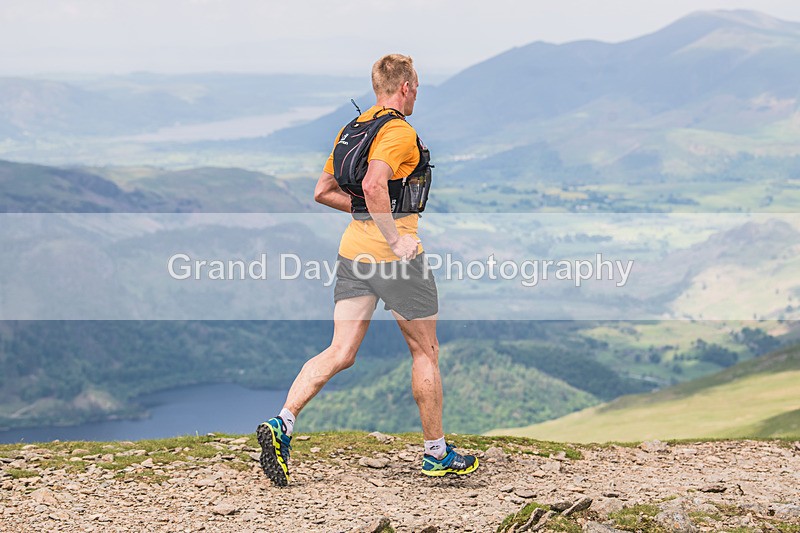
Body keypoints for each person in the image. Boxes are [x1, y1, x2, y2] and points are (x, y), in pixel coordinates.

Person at [256, 54, 478, 487]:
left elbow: (323, 191)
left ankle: (283, 422)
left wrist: (368, 213)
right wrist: (396, 239)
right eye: (418, 86)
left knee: (340, 351)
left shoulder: (351, 130)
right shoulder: (397, 132)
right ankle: (436, 453)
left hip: (353, 254)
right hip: (397, 261)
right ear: (407, 87)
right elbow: (376, 185)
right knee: (425, 352)